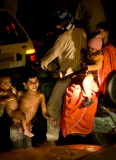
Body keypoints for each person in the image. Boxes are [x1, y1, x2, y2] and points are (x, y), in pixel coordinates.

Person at [40, 8, 87, 145]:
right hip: (81, 74)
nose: (57, 26)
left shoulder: (62, 38)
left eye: (59, 24)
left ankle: (51, 139)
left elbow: (46, 60)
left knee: (53, 104)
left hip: (67, 76)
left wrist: (42, 63)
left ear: (66, 22)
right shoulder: (82, 32)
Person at [10, 71, 55, 149]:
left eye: (36, 81)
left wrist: (49, 117)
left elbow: (44, 112)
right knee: (18, 150)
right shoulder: (20, 94)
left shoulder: (40, 96)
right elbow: (14, 109)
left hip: (28, 126)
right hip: (16, 125)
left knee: (29, 147)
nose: (35, 84)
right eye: (31, 82)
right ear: (25, 84)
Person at [0, 73, 34, 138]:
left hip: (17, 108)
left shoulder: (10, 89)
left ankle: (25, 127)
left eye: (9, 82)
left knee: (25, 114)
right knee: (23, 116)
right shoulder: (2, 92)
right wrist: (2, 102)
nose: (9, 84)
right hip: (12, 112)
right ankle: (26, 131)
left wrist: (14, 92)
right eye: (5, 83)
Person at [95, 22, 116, 94]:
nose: (97, 33)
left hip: (109, 80)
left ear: (107, 32)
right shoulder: (101, 46)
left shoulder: (110, 48)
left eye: (99, 31)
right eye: (96, 31)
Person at [80, 35, 103, 107]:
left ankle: (89, 98)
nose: (90, 49)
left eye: (92, 48)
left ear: (98, 49)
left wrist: (88, 67)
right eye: (89, 47)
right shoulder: (91, 53)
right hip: (88, 70)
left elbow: (98, 66)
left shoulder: (99, 57)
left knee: (85, 82)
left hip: (93, 72)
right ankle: (93, 86)